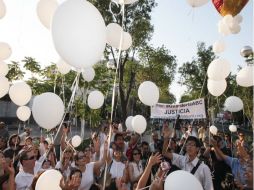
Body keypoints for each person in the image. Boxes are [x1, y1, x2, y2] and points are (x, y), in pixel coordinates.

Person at [162, 125, 214, 190]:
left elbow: (209, 188)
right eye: (188, 144)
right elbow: (164, 153)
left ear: (197, 149)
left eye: (192, 144)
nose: (189, 146)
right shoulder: (182, 160)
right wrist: (166, 138)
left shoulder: (204, 168)